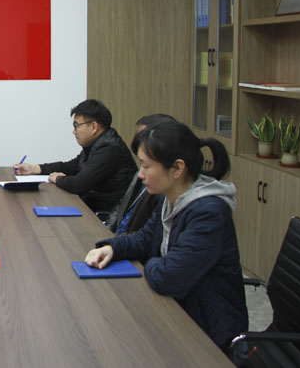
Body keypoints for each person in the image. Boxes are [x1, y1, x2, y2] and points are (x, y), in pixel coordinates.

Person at [84, 121, 248, 354]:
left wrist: (151, 262)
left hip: (207, 331)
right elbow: (145, 238)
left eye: (146, 166)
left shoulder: (208, 213)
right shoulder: (169, 196)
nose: (140, 174)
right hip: (178, 309)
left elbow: (168, 278)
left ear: (177, 168)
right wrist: (112, 248)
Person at [13, 99, 137, 218]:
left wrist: (59, 179)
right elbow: (70, 167)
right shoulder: (97, 145)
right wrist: (34, 168)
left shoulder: (109, 150)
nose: (74, 131)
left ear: (94, 127)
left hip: (105, 216)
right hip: (93, 208)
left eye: (76, 125)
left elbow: (79, 185)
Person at [106, 113, 176, 234]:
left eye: (143, 138)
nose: (138, 143)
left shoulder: (163, 190)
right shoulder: (142, 172)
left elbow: (145, 237)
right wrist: (108, 230)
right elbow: (121, 205)